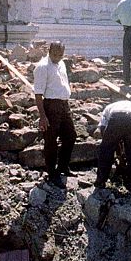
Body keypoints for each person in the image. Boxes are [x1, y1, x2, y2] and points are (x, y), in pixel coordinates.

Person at [33, 40, 77, 189]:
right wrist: (43, 116)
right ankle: (52, 173)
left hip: (64, 105)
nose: (57, 57)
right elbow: (38, 94)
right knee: (51, 141)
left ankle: (63, 167)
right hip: (51, 106)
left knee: (71, 136)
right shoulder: (42, 67)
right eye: (55, 54)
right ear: (49, 51)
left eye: (60, 54)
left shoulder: (62, 63)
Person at [94, 100, 131, 196]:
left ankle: (100, 181)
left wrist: (112, 148)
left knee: (106, 150)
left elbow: (103, 128)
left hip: (117, 116)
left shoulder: (108, 108)